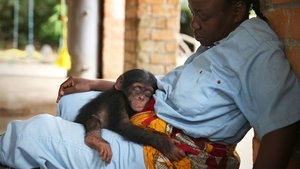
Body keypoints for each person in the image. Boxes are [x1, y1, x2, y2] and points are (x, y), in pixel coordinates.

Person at [1, 0, 299, 168]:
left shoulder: (256, 49)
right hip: (150, 122)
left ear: (236, 10)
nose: (193, 23)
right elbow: (160, 89)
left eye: (201, 16)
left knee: (36, 134)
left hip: (162, 153)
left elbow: (281, 126)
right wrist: (94, 84)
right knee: (70, 103)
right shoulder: (216, 45)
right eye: (191, 13)